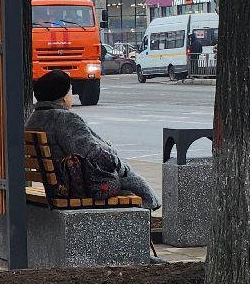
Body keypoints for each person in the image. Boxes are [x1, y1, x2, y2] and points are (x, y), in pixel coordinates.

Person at [25, 69, 161, 211]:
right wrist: (117, 162)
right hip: (81, 186)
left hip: (58, 183)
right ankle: (151, 208)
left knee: (127, 183)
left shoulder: (34, 119)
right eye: (70, 90)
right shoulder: (65, 119)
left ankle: (147, 208)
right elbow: (93, 154)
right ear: (63, 97)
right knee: (128, 177)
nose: (71, 94)